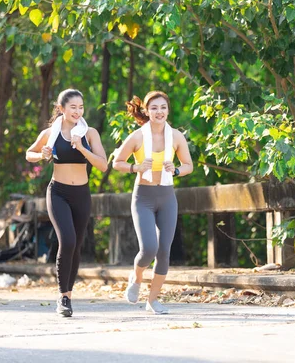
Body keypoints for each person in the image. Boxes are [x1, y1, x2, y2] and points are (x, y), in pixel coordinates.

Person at [26, 89, 108, 317]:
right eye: (73, 107)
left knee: (77, 244)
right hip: (58, 192)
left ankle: (68, 295)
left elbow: (103, 165)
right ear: (62, 108)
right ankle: (63, 297)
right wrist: (41, 155)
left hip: (81, 194)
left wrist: (82, 148)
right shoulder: (51, 132)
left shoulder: (89, 133)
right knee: (68, 240)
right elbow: (28, 154)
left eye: (81, 107)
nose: (78, 111)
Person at [113, 90, 193, 314]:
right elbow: (117, 162)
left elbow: (188, 165)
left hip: (167, 196)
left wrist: (176, 170)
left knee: (164, 251)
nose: (159, 112)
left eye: (163, 108)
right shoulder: (138, 136)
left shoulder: (176, 136)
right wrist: (135, 167)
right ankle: (136, 277)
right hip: (143, 197)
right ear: (147, 112)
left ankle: (152, 300)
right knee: (149, 248)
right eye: (154, 108)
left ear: (168, 110)